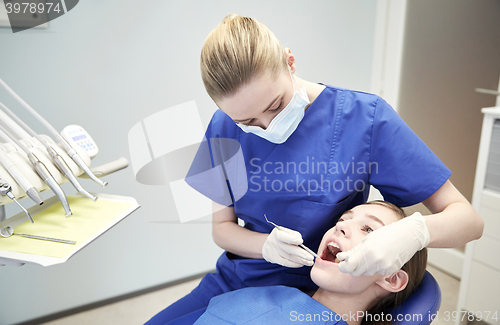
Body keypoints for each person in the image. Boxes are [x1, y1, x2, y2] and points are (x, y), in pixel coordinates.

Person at [145, 14, 483, 324]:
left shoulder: (366, 120)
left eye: (275, 106)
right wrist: (265, 246)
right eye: (247, 122)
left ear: (290, 62)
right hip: (236, 279)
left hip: (316, 291)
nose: (267, 127)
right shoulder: (223, 125)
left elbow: (468, 221)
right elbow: (222, 228)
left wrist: (412, 234)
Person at [178, 201, 428, 325]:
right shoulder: (276, 293)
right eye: (343, 218)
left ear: (391, 277)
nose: (341, 226)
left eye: (368, 229)